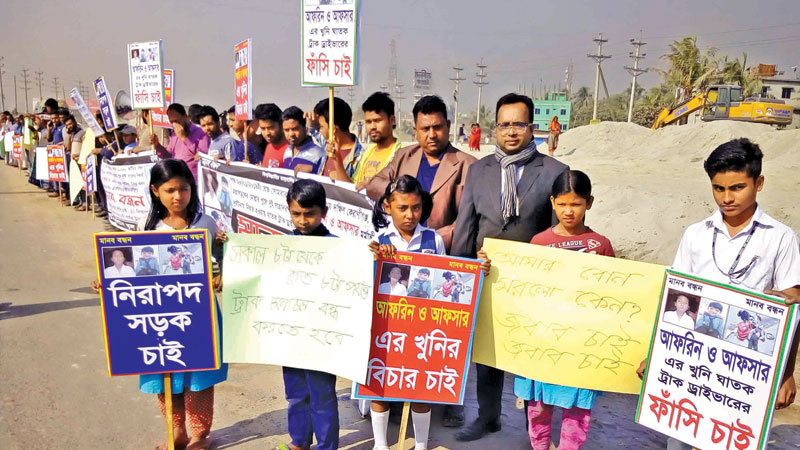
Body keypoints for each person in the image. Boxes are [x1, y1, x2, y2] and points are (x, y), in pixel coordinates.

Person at [636, 138, 800, 450]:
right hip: (693, 363)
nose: (726, 198)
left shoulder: (780, 238)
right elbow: (676, 299)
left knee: (734, 440)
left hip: (746, 371)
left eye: (737, 187)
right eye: (718, 188)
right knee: (681, 440)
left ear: (759, 183)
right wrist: (657, 354)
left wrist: (787, 373)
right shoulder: (696, 234)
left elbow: (792, 309)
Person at [451, 93, 568, 439]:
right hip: (487, 277)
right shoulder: (478, 169)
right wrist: (463, 270)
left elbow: (558, 232)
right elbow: (466, 223)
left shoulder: (555, 172)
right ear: (495, 128)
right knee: (488, 352)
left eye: (519, 124)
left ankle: (538, 428)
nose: (512, 132)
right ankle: (489, 417)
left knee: (533, 354)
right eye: (505, 124)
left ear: (532, 127)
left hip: (535, 285)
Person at [367, 174, 491, 450]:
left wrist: (476, 271)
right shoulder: (377, 239)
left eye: (416, 207)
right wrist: (376, 257)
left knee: (420, 387)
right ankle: (379, 444)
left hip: (420, 326)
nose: (410, 215)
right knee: (380, 383)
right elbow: (364, 277)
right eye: (402, 208)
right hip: (386, 326)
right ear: (388, 206)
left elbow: (446, 277)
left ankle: (421, 444)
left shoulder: (432, 239)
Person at [517, 170, 614, 450]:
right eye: (562, 204)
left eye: (576, 204)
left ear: (590, 203)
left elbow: (613, 296)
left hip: (581, 344)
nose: (568, 211)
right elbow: (524, 291)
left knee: (577, 409)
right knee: (538, 405)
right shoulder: (539, 243)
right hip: (543, 342)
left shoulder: (601, 245)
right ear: (552, 202)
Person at [366, 95, 476, 251]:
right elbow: (373, 185)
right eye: (425, 129)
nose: (431, 135)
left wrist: (433, 239)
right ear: (415, 130)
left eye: (437, 127)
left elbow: (469, 218)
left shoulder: (468, 165)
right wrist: (399, 190)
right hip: (400, 248)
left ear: (448, 126)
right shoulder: (404, 156)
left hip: (442, 249)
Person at [279, 179, 340, 450]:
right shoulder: (281, 246)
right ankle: (299, 442)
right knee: (295, 394)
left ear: (324, 212)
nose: (303, 220)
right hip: (291, 335)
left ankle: (327, 446)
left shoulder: (339, 248)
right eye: (296, 214)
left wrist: (369, 257)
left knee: (323, 395)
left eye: (310, 213)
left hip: (323, 337)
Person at [351, 92, 402, 191]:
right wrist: (337, 161)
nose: (372, 127)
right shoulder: (367, 153)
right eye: (368, 122)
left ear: (392, 120)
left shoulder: (401, 154)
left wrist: (374, 185)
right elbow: (354, 186)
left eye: (377, 121)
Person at [307, 96, 363, 180]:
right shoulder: (328, 145)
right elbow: (314, 133)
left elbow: (356, 190)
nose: (319, 130)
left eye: (321, 127)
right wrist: (311, 124)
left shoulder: (360, 157)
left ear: (333, 129)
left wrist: (340, 176)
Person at [151, 103, 211, 179]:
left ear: (186, 117)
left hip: (193, 180)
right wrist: (157, 145)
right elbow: (168, 156)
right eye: (172, 122)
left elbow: (202, 158)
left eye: (177, 121)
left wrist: (184, 139)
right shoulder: (174, 134)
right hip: (176, 178)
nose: (175, 125)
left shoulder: (201, 133)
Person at [281, 106, 327, 175]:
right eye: (287, 130)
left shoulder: (318, 152)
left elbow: (327, 177)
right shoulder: (287, 151)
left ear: (305, 128)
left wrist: (314, 169)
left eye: (295, 129)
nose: (291, 134)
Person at [254, 103, 287, 168]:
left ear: (281, 125)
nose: (267, 133)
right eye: (263, 128)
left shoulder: (292, 150)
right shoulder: (269, 146)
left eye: (271, 128)